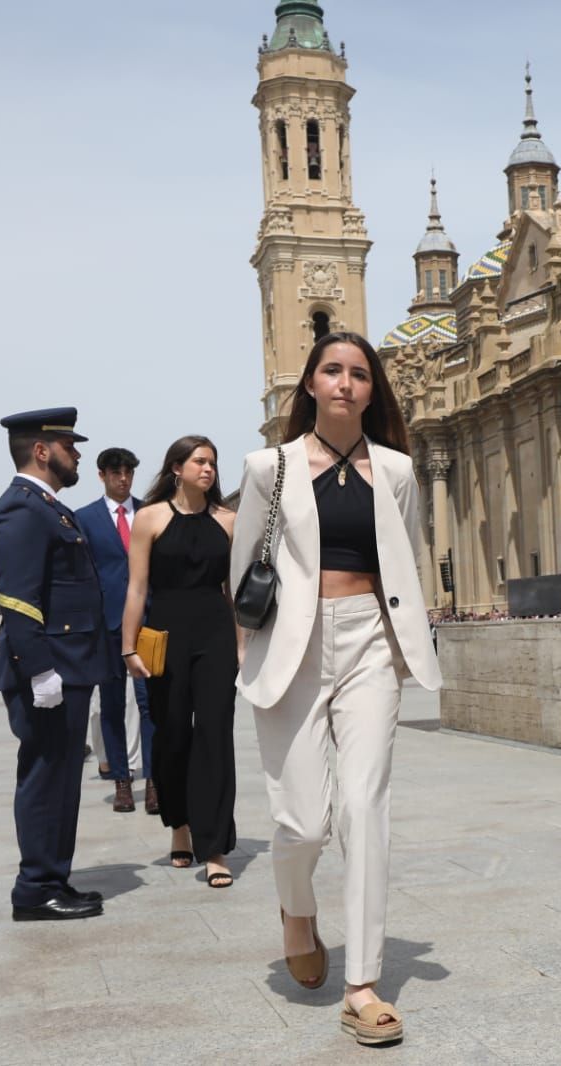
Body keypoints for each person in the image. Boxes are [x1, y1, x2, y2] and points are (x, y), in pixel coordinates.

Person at [234, 331, 441, 1043]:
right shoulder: (269, 468)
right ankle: (297, 910)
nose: (346, 383)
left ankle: (364, 984)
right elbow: (244, 575)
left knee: (361, 806)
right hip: (291, 644)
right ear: (311, 385)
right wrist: (247, 657)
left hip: (368, 644)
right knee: (303, 823)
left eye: (359, 373)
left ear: (372, 389)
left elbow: (403, 561)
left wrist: (400, 646)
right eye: (332, 371)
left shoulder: (398, 471)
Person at [0, 407, 110, 921]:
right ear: (42, 450)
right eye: (68, 444)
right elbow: (18, 601)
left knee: (61, 777)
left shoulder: (48, 508)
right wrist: (39, 671)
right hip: (49, 669)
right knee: (44, 775)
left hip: (68, 666)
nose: (77, 452)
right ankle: (35, 886)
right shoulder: (22, 509)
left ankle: (53, 877)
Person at [122, 436, 238, 887]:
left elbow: (235, 593)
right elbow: (136, 588)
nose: (207, 469)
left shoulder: (228, 521)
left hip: (215, 634)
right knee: (171, 736)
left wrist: (242, 645)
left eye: (212, 462)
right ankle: (180, 827)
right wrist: (127, 646)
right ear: (177, 468)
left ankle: (215, 848)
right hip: (164, 636)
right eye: (199, 461)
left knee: (215, 736)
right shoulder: (149, 518)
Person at [75, 446, 155, 816]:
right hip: (106, 623)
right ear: (102, 475)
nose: (123, 479)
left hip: (148, 620)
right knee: (111, 704)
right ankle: (122, 780)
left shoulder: (149, 512)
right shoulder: (85, 519)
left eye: (128, 473)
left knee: (150, 702)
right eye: (116, 473)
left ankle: (154, 780)